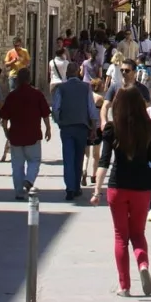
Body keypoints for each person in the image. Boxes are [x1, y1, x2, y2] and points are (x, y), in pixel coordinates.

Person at [93, 87, 151, 297]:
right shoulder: (149, 127)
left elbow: (103, 162)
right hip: (141, 187)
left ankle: (125, 286)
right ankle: (143, 264)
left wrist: (96, 191)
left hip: (118, 187)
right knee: (138, 234)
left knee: (121, 236)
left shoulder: (113, 128)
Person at [0, 68, 52, 200]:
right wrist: (48, 128)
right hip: (33, 134)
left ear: (17, 80)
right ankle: (29, 179)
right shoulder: (37, 94)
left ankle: (18, 192)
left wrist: (7, 133)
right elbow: (45, 114)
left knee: (17, 165)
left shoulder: (12, 96)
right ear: (29, 79)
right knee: (34, 160)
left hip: (15, 135)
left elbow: (3, 119)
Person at [52, 61, 100, 200]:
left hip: (66, 126)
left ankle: (70, 188)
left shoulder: (61, 88)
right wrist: (93, 128)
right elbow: (92, 109)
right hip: (82, 126)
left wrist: (59, 121)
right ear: (78, 73)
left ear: (67, 73)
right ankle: (76, 186)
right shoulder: (86, 88)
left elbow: (55, 108)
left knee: (68, 157)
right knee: (79, 157)